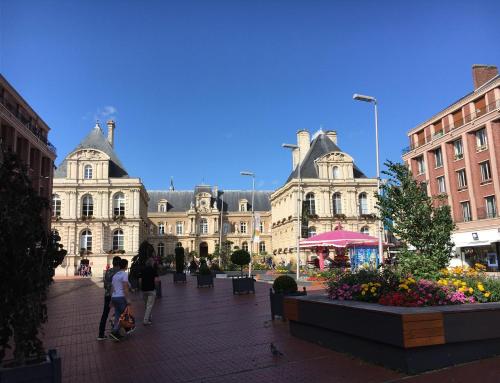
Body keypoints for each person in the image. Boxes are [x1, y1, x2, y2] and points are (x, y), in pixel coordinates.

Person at [97, 256, 121, 340]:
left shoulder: (108, 271)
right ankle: (116, 332)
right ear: (119, 263)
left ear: (113, 263)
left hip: (107, 295)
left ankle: (101, 334)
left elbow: (105, 285)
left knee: (105, 314)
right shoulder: (119, 272)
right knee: (119, 314)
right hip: (117, 296)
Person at [109, 258, 133, 341]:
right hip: (121, 297)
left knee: (118, 316)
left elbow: (112, 288)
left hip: (115, 297)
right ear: (126, 266)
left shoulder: (115, 275)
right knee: (124, 316)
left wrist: (111, 300)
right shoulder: (124, 274)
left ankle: (115, 333)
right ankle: (117, 331)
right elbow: (125, 287)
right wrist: (128, 299)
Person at [139, 257, 160, 325]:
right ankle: (145, 320)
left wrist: (140, 287)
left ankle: (149, 317)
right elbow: (156, 280)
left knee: (146, 305)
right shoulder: (153, 270)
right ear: (152, 263)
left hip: (144, 289)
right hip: (151, 289)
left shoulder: (143, 270)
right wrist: (156, 288)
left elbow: (140, 280)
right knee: (149, 305)